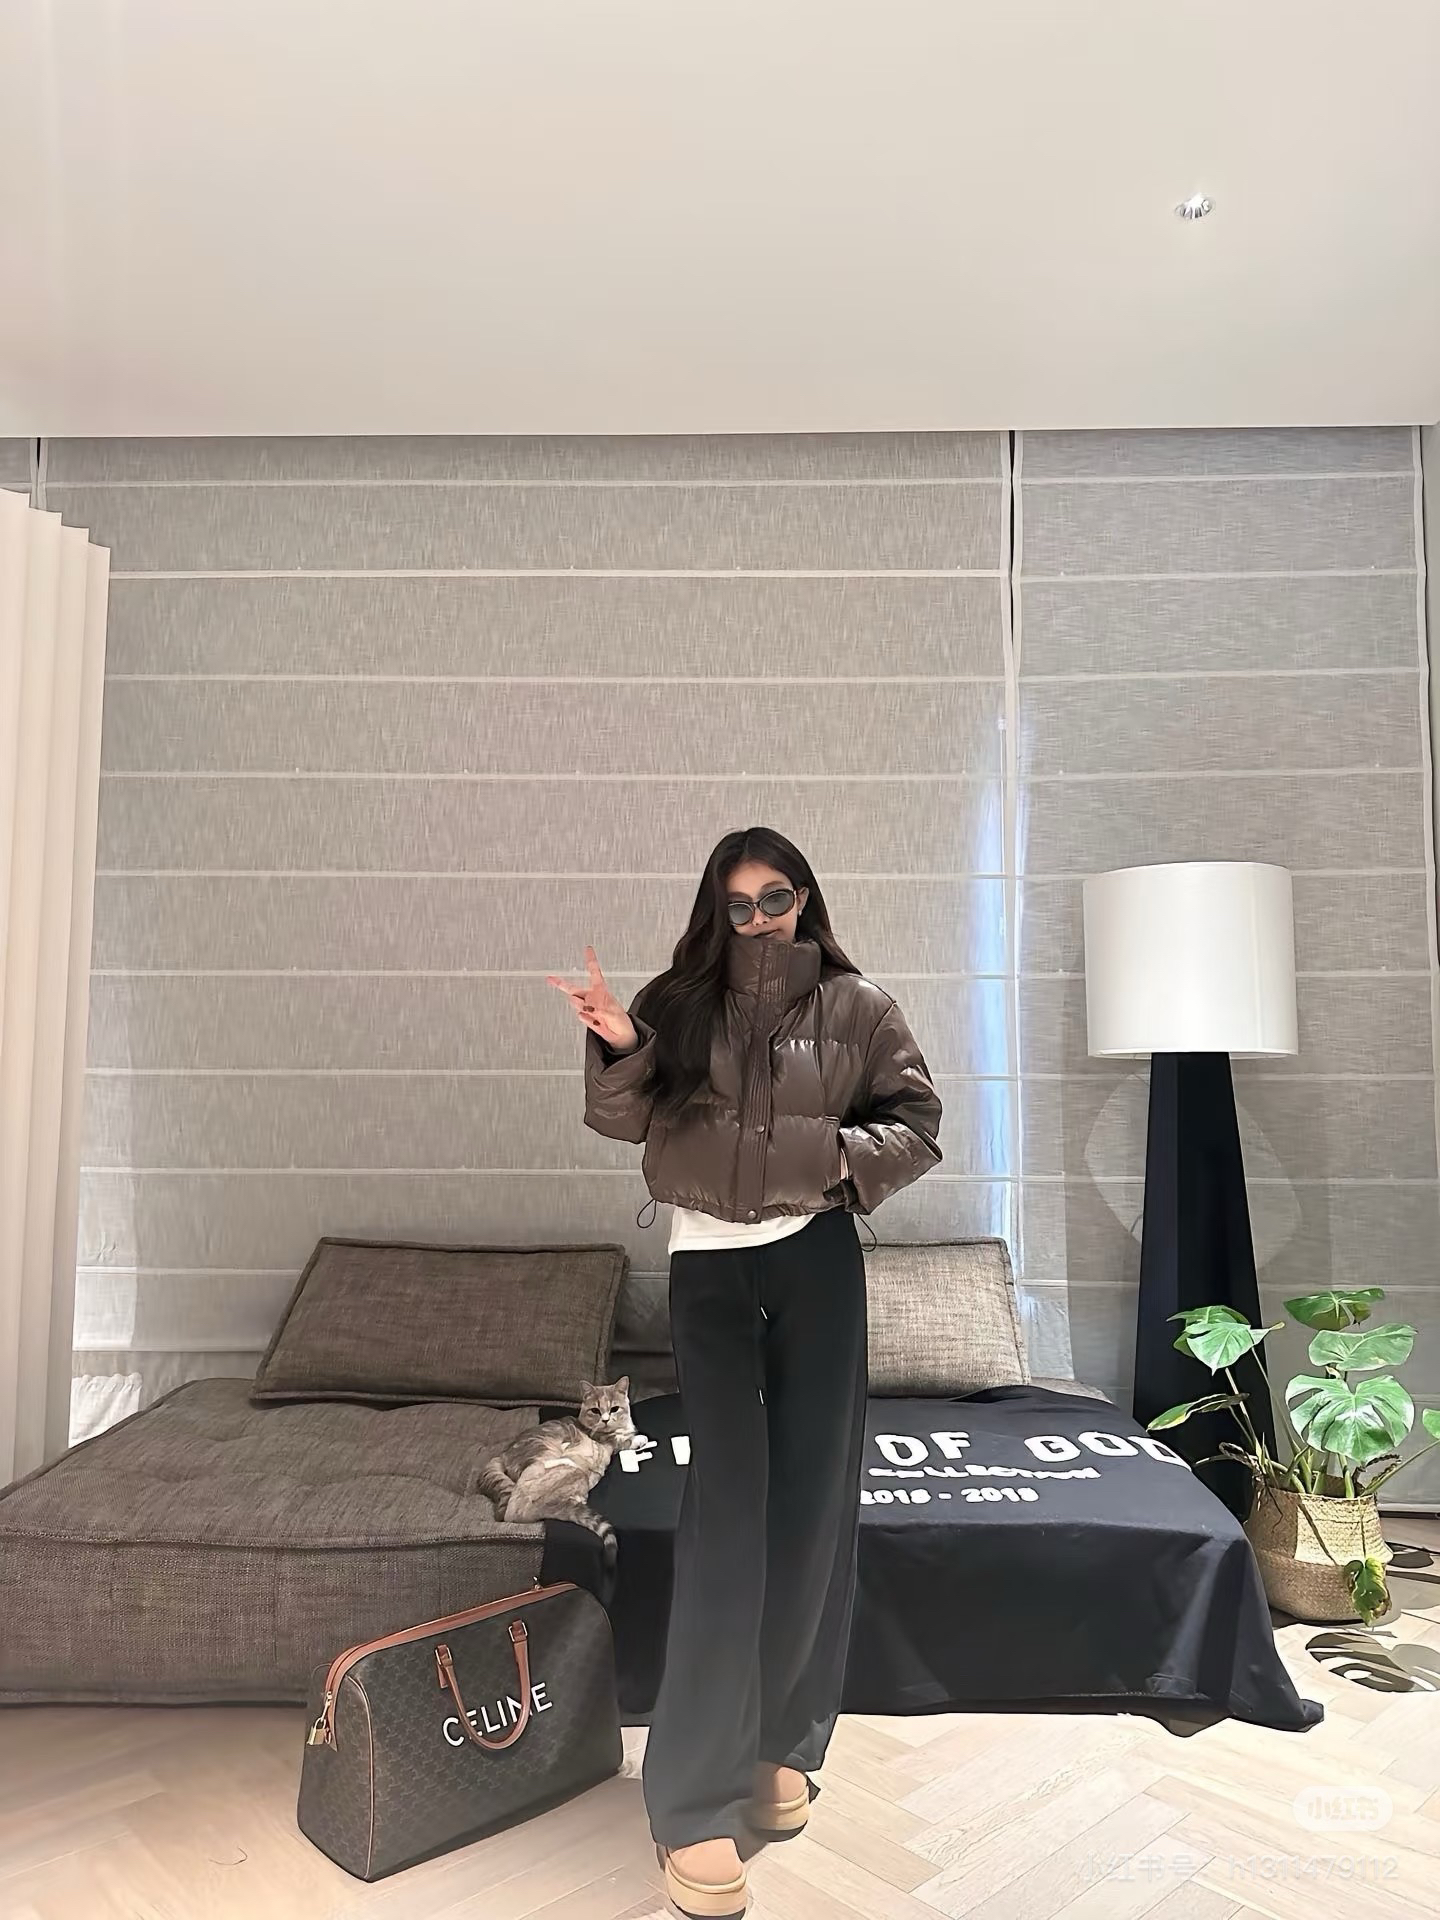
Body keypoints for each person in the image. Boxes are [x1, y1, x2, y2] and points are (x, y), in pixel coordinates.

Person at [548, 826, 942, 1920]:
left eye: (777, 897)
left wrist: (828, 1160)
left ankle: (782, 1746)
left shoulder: (860, 1008)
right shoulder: (674, 1004)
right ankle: (690, 1801)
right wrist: (620, 1044)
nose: (759, 918)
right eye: (739, 904)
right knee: (729, 1521)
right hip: (711, 1274)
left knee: (814, 1511)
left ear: (805, 898)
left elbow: (916, 1124)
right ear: (715, 912)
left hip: (818, 1264)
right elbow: (620, 1118)